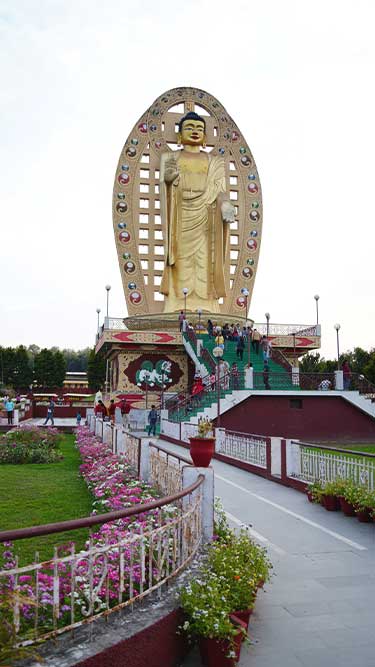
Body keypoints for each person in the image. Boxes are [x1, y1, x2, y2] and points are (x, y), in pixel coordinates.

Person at [159, 111, 235, 313]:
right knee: (181, 259)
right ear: (179, 134)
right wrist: (168, 180)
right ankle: (177, 303)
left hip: (207, 214)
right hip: (180, 213)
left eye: (199, 129)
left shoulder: (215, 162)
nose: (194, 132)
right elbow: (166, 185)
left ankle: (207, 304)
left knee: (205, 260)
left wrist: (226, 206)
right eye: (189, 128)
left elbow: (221, 192)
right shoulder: (171, 157)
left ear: (205, 137)